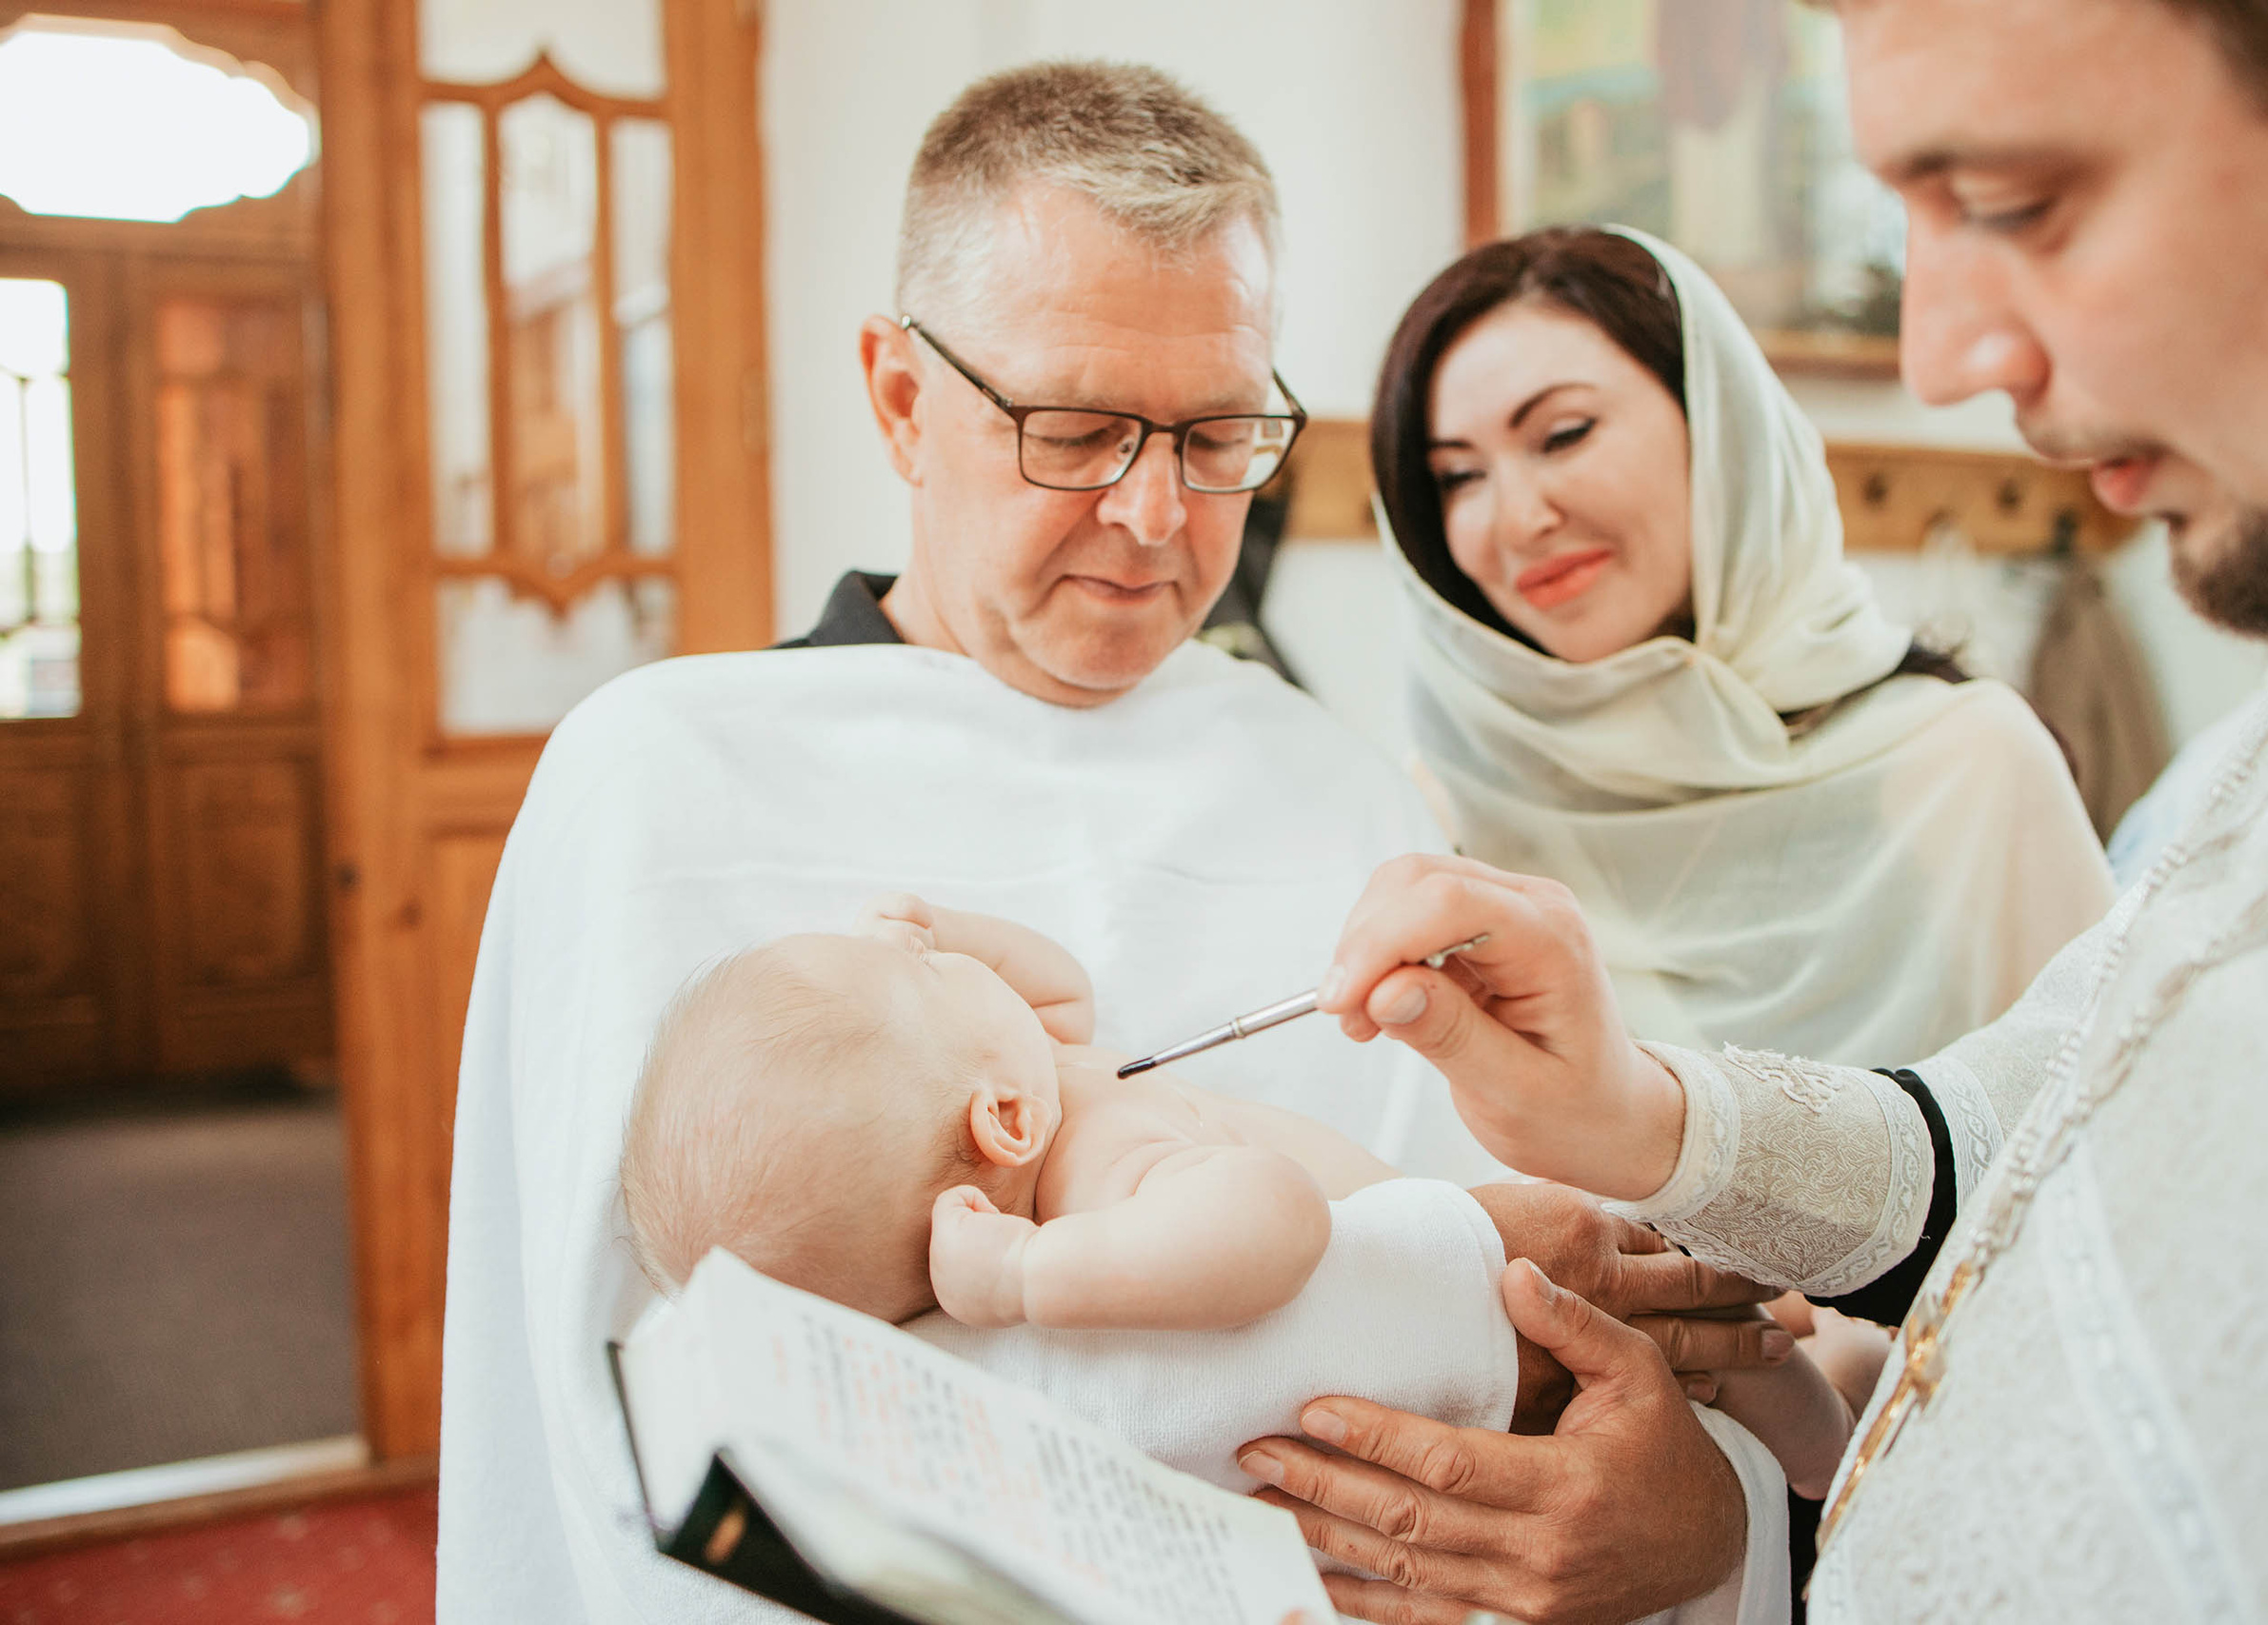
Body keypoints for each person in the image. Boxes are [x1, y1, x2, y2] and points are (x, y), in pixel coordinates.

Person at [437, 62, 1793, 1625]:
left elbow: (1557, 1343)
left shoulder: (1330, 782)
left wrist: (1689, 1508)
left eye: (1221, 435)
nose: (1157, 514)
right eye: (1075, 430)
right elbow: (629, 1425)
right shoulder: (665, 784)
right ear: (898, 397)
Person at [1237, 1, 2268, 1618]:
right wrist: (1644, 1119)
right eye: (1451, 476)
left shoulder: (1969, 759)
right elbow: (2019, 1140)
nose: (1938, 356)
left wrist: (1745, 1522)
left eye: (2015, 202)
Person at [619, 899, 1863, 1498]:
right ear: (1001, 1121)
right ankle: (1833, 1477)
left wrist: (957, 939)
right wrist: (1031, 1280)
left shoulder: (1042, 1088)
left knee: (1751, 1337)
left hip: (1519, 1281)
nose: (949, 959)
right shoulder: (1108, 1182)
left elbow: (1058, 996)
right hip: (1526, 1310)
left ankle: (1826, 1428)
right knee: (1730, 1346)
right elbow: (1272, 1224)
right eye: (941, 974)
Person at [1371, 225, 2112, 1065]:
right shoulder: (1449, 812)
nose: (1514, 520)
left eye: (1564, 433)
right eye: (1458, 477)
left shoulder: (1963, 766)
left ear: (1722, 432)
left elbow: (2109, 1130)